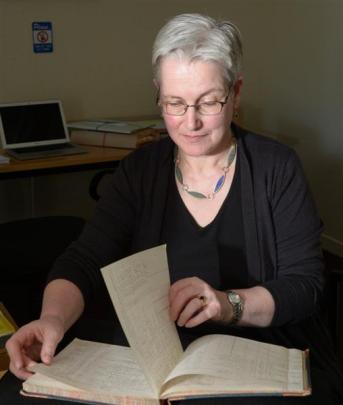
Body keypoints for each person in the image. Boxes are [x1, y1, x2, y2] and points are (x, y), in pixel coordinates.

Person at [6, 13, 343, 404]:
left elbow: (304, 286)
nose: (191, 122)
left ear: (236, 92)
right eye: (174, 104)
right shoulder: (139, 171)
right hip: (157, 356)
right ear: (158, 93)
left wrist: (227, 304)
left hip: (260, 346)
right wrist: (52, 320)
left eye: (209, 102)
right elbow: (84, 259)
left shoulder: (277, 168)